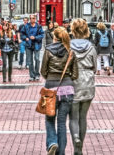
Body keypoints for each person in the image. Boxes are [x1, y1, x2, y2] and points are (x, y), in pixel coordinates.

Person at [40, 27, 79, 155]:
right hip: (67, 89)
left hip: (51, 87)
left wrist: (50, 78)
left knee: (49, 119)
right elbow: (75, 74)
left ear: (54, 37)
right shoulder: (71, 52)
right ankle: (60, 152)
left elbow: (43, 71)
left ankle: (52, 142)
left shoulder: (48, 50)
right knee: (62, 123)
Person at [69, 19, 97, 155]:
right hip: (88, 83)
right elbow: (95, 67)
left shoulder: (68, 47)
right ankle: (79, 147)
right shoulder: (91, 47)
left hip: (73, 82)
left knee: (73, 117)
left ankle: (75, 139)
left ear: (73, 30)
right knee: (83, 117)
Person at [21, 14, 44, 81]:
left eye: (33, 18)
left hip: (37, 44)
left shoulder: (39, 26)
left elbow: (42, 35)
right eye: (31, 18)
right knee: (30, 61)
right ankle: (31, 75)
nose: (32, 20)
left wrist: (35, 37)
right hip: (29, 45)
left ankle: (37, 74)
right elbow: (22, 34)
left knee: (37, 59)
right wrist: (26, 38)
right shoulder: (26, 26)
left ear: (35, 19)